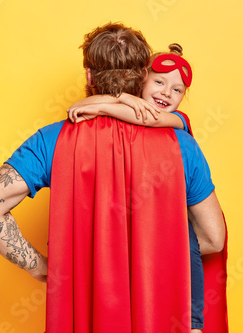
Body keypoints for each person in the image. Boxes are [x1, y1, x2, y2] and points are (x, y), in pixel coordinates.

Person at [0, 22, 227, 333]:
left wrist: (44, 268)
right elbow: (213, 238)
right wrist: (148, 249)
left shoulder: (52, 139)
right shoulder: (181, 145)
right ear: (144, 75)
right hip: (161, 315)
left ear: (89, 75)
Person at [66, 43, 221, 331]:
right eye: (159, 82)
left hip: (176, 266)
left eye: (177, 90)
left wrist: (104, 105)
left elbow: (148, 117)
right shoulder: (128, 103)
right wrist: (123, 97)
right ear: (141, 80)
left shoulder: (179, 122)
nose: (166, 93)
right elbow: (74, 109)